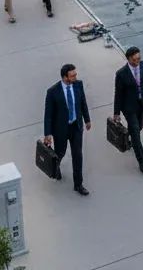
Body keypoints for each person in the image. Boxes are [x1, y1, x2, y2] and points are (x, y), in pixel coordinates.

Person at [43, 64, 91, 195]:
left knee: (77, 155)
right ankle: (56, 167)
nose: (75, 77)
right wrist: (48, 134)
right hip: (61, 130)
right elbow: (48, 115)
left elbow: (83, 103)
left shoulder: (78, 85)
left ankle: (78, 184)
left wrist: (87, 119)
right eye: (72, 75)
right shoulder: (52, 92)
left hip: (76, 127)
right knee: (60, 153)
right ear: (65, 77)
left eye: (75, 74)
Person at [112, 46, 143, 175]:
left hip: (142, 103)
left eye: (139, 58)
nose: (138, 61)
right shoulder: (121, 74)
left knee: (140, 127)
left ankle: (131, 136)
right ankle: (142, 162)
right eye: (135, 60)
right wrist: (116, 112)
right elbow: (118, 94)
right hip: (128, 107)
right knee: (136, 134)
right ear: (128, 59)